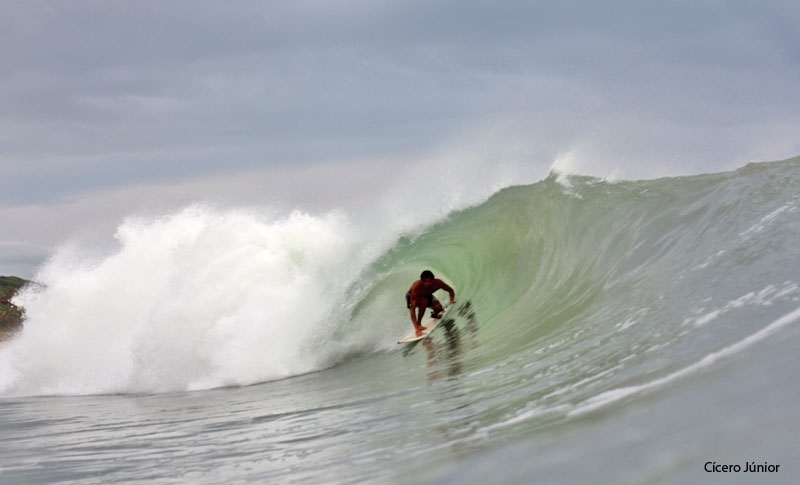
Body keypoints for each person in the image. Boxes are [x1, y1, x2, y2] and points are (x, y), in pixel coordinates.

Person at [406, 270, 456, 336]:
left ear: (433, 279)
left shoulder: (438, 283)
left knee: (438, 307)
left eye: (429, 280)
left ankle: (434, 315)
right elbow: (412, 310)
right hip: (412, 296)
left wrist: (451, 300)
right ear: (422, 281)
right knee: (424, 302)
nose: (427, 283)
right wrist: (417, 328)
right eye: (425, 281)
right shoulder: (417, 287)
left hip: (427, 295)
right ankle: (419, 324)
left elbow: (450, 290)